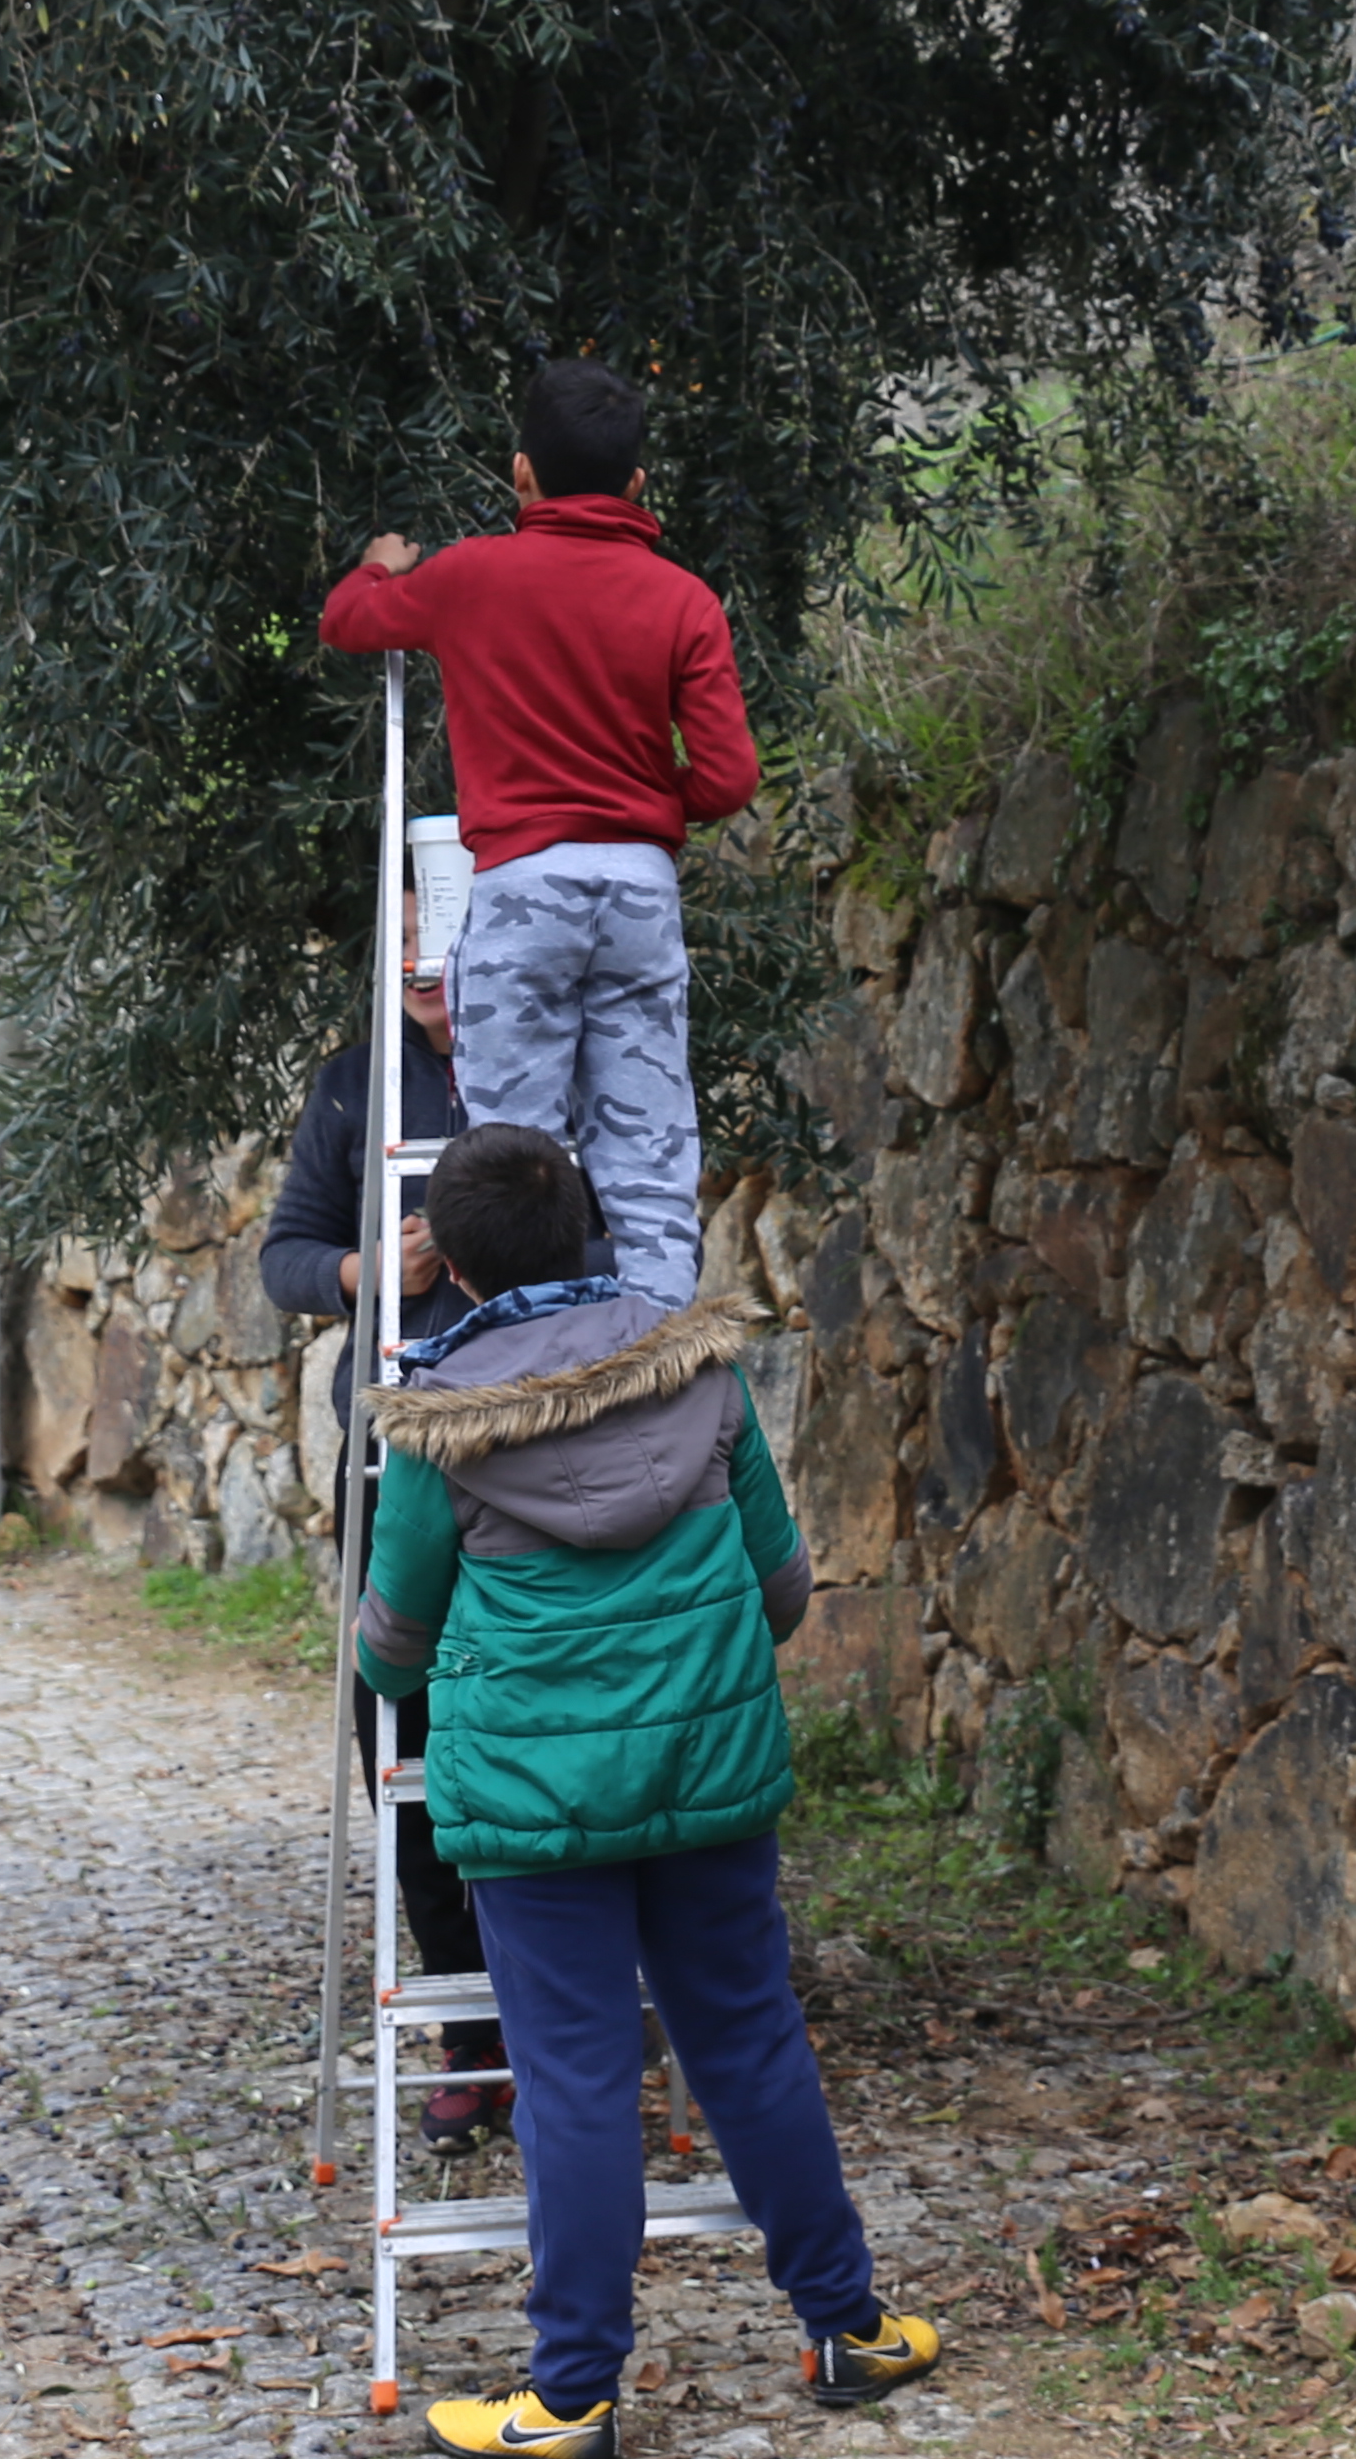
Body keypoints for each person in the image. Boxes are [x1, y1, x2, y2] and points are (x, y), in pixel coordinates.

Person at [358, 1120, 938, 2459]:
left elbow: (393, 1638)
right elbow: (784, 1588)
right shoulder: (703, 1377)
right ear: (591, 1229)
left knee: (570, 2077)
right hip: (710, 1778)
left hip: (532, 1805)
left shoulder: (441, 1427)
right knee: (746, 2038)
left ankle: (571, 2396)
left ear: (445, 1263)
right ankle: (846, 2325)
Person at [318, 358, 759, 1312]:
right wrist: (640, 807)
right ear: (637, 485)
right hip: (640, 890)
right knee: (646, 1147)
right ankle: (658, 1373)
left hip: (525, 888)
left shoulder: (472, 576)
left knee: (514, 1157)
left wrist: (378, 567)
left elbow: (347, 622)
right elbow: (728, 777)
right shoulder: (683, 600)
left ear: (522, 473)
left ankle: (526, 1382)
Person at [255, 969, 505, 2142]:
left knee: (539, 1718)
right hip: (399, 1456)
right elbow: (285, 1259)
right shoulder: (356, 1086)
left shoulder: (541, 1052)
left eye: (442, 921)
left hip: (536, 1437)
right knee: (395, 1728)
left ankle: (563, 2004)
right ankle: (470, 2025)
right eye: (405, 923)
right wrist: (373, 1275)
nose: (428, 956)